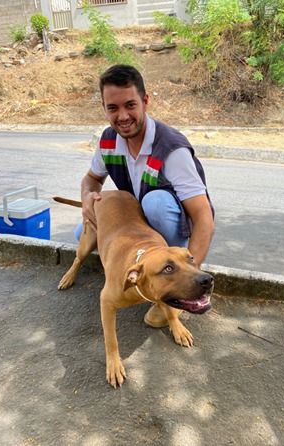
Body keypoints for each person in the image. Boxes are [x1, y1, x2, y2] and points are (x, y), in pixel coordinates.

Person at [79, 64, 215, 326]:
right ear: (104, 108)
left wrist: (193, 277)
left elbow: (203, 216)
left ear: (145, 101)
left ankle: (174, 285)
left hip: (170, 223)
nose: (123, 116)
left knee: (156, 203)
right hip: (136, 223)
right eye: (113, 108)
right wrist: (87, 197)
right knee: (83, 235)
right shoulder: (109, 140)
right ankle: (149, 276)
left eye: (130, 105)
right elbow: (91, 179)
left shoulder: (171, 148)